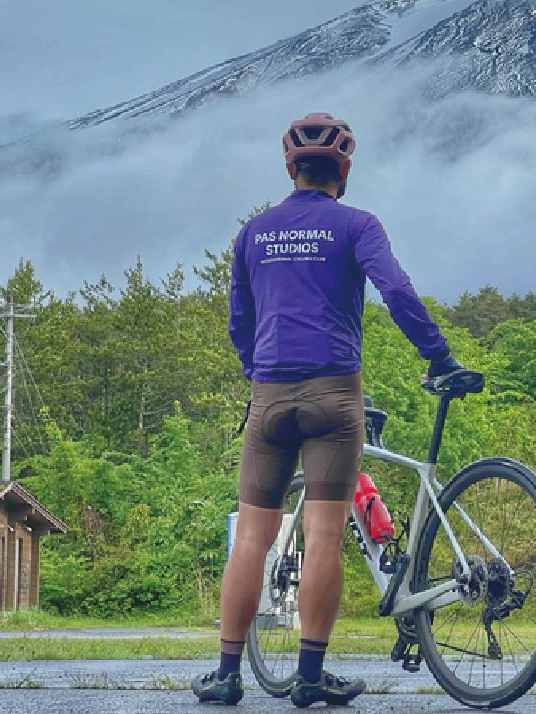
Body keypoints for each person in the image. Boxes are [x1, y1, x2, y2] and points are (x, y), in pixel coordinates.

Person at [192, 113, 462, 706]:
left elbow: (239, 320)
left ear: (290, 168)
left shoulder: (253, 233)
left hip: (269, 397)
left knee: (251, 541)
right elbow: (396, 291)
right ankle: (309, 678)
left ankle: (227, 676)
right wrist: (438, 356)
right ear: (343, 169)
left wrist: (256, 372)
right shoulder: (357, 225)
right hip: (335, 396)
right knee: (322, 535)